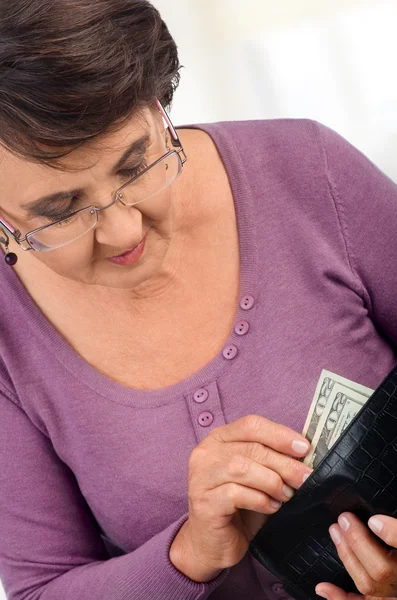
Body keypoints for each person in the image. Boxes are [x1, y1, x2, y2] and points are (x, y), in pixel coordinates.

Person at [1, 1, 397, 599]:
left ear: (160, 105)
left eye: (137, 165)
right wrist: (186, 554)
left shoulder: (309, 172)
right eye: (61, 213)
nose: (124, 231)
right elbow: (40, 591)